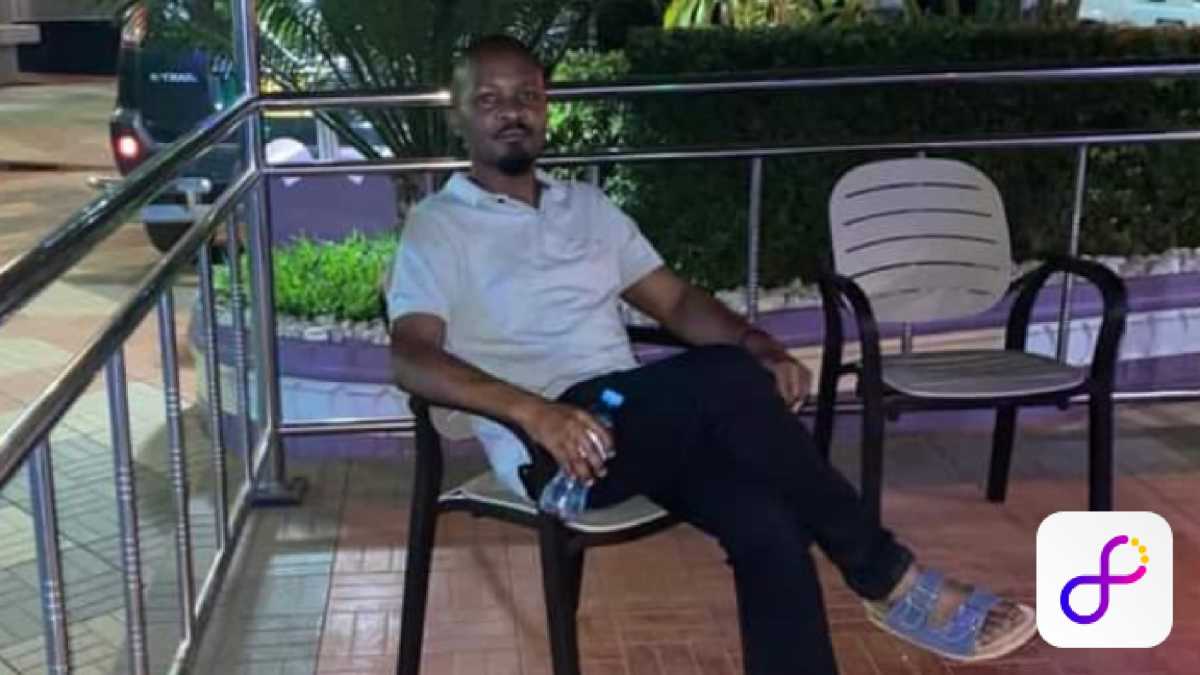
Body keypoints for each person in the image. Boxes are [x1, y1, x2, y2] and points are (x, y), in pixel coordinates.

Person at [386, 34, 1037, 674]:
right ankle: (887, 576)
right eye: (490, 99)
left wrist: (760, 344)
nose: (513, 111)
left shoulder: (585, 207)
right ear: (458, 116)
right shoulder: (437, 227)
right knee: (726, 378)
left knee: (770, 522)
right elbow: (411, 355)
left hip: (636, 415)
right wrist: (534, 412)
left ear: (546, 108)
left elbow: (674, 301)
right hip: (553, 445)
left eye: (527, 95)